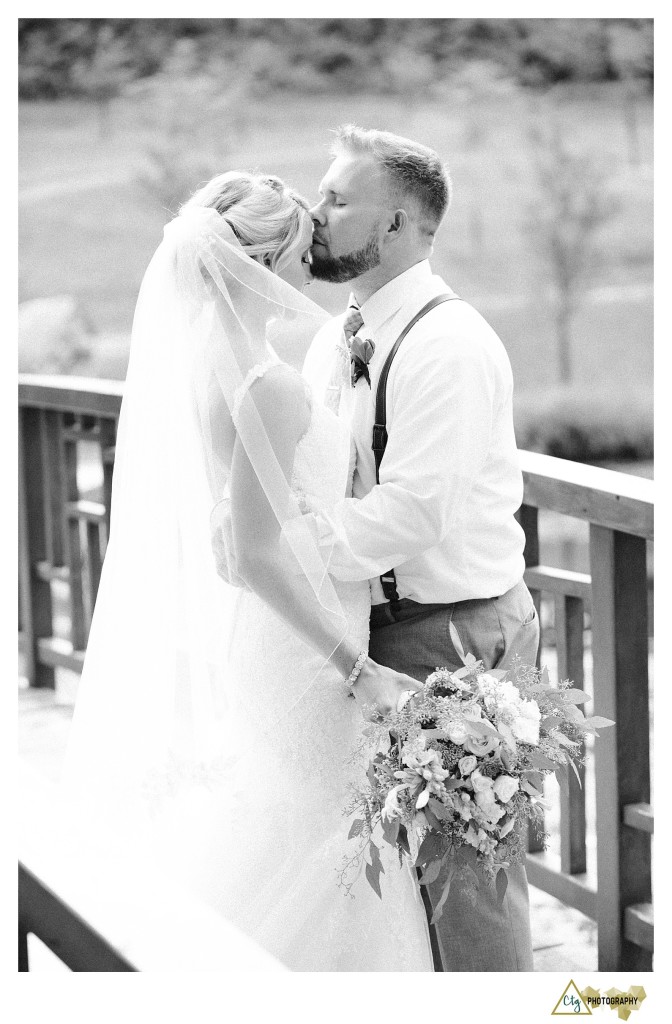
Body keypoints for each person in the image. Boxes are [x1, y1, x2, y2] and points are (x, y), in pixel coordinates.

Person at [60, 170, 433, 971]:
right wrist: (356, 666)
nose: (313, 265)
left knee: (297, 824)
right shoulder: (268, 385)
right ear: (262, 266)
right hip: (309, 642)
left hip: (278, 629)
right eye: (301, 249)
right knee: (329, 836)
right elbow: (259, 553)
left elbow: (242, 530)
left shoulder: (217, 356)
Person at [303, 125, 540, 972]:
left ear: (398, 224)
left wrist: (288, 552)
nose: (315, 212)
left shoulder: (448, 342)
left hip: (454, 639)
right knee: (403, 896)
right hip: (380, 632)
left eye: (337, 198)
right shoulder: (338, 335)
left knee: (469, 894)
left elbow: (415, 512)